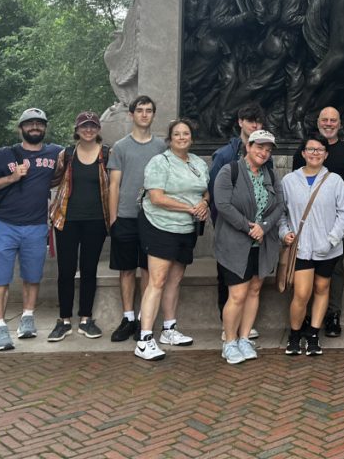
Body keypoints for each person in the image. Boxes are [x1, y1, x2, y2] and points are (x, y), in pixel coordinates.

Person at [0, 108, 63, 351]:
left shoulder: (55, 152)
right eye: (30, 124)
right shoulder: (4, 155)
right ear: (21, 128)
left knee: (32, 275)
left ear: (45, 128)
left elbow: (60, 174)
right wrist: (10, 179)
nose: (35, 127)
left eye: (39, 123)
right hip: (4, 225)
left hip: (36, 226)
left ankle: (27, 318)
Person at [134, 118, 209, 361]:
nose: (182, 137)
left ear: (191, 138)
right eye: (177, 134)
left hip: (186, 229)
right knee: (157, 280)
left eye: (186, 133)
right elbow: (156, 197)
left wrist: (204, 203)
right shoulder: (159, 162)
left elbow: (205, 190)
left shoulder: (198, 162)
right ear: (169, 139)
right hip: (160, 226)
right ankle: (144, 339)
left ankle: (169, 329)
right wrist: (189, 208)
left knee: (175, 280)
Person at [213, 129, 286, 365]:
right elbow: (222, 204)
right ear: (249, 146)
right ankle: (230, 342)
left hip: (262, 244)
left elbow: (279, 206)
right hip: (235, 244)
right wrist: (248, 227)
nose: (263, 153)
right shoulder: (229, 171)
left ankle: (245, 338)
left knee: (254, 290)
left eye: (268, 149)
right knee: (237, 294)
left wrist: (263, 227)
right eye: (259, 147)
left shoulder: (271, 175)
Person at [280, 134, 344, 356]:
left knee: (322, 289)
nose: (315, 153)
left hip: (327, 248)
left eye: (319, 150)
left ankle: (313, 334)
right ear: (303, 153)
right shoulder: (289, 181)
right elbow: (282, 213)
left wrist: (331, 240)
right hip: (301, 247)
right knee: (302, 293)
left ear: (326, 154)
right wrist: (284, 233)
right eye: (311, 149)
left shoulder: (335, 180)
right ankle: (295, 334)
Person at [292, 107, 344, 339]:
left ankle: (333, 314)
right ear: (318, 122)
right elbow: (295, 190)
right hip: (307, 231)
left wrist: (342, 227)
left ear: (340, 124)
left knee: (334, 273)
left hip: (337, 228)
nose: (329, 123)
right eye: (324, 120)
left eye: (333, 120)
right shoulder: (302, 151)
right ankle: (308, 318)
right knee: (307, 278)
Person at [106, 95, 167, 342]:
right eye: (139, 110)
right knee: (127, 269)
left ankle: (144, 317)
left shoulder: (162, 147)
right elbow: (114, 185)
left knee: (148, 270)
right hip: (126, 217)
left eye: (148, 110)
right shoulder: (120, 147)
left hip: (153, 219)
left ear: (153, 115)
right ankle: (128, 317)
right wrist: (113, 220)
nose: (144, 114)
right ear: (131, 115)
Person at [47, 111, 111, 342]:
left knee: (89, 269)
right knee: (65, 270)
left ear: (98, 129)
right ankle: (64, 319)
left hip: (96, 220)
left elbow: (114, 186)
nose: (88, 130)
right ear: (77, 129)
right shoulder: (67, 154)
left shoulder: (106, 154)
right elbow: (52, 179)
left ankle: (86, 318)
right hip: (67, 220)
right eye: (84, 126)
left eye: (93, 126)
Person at [207, 101, 268, 335]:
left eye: (258, 121)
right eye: (250, 120)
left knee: (250, 280)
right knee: (228, 279)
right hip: (230, 229)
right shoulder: (224, 155)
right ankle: (227, 326)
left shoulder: (264, 154)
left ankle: (243, 325)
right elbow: (216, 195)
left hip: (255, 232)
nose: (254, 124)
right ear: (240, 122)